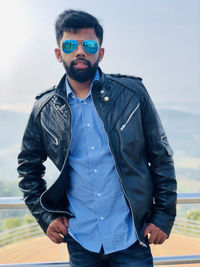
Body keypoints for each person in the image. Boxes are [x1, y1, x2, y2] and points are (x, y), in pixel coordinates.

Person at [17, 9, 177, 267]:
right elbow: (28, 168)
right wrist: (45, 217)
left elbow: (161, 156)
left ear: (100, 52)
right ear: (59, 53)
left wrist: (163, 217)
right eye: (70, 44)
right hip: (81, 240)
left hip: (130, 237)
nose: (80, 51)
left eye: (89, 44)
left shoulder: (132, 94)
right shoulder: (44, 109)